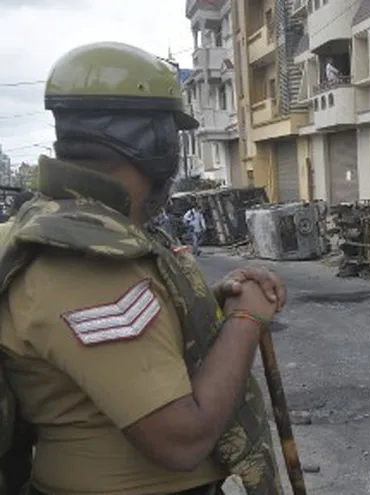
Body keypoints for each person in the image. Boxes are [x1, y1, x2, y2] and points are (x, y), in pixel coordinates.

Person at [0, 41, 289, 495]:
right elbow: (180, 439)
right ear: (156, 145)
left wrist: (210, 302)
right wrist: (246, 319)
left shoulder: (70, 224)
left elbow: (123, 348)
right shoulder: (85, 257)